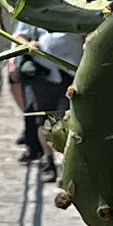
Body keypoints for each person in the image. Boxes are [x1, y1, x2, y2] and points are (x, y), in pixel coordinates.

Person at [11, 28, 83, 173]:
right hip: (43, 75)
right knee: (44, 120)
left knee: (73, 121)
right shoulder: (33, 10)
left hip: (72, 76)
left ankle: (71, 164)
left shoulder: (78, 14)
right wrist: (29, 45)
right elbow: (19, 34)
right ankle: (49, 161)